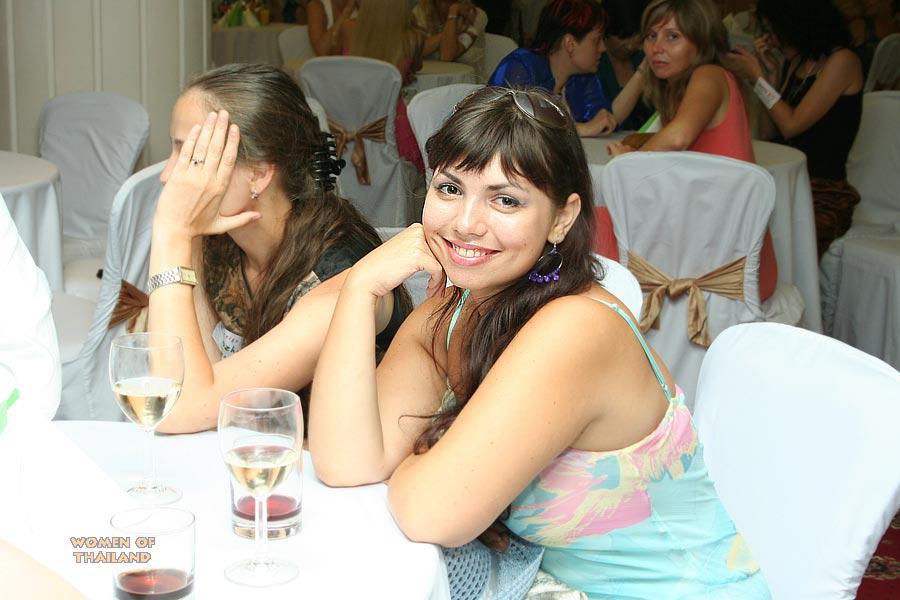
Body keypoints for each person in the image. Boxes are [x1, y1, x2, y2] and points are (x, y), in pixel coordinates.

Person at [308, 87, 772, 599]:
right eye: (450, 188)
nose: (466, 222)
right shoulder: (455, 309)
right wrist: (360, 289)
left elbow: (429, 512)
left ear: (562, 218)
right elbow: (347, 462)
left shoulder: (576, 329)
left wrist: (426, 452)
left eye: (505, 199)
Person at [147, 64, 411, 434]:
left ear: (258, 174)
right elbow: (198, 383)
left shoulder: (338, 281)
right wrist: (188, 242)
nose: (167, 176)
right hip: (250, 447)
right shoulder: (223, 239)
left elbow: (175, 406)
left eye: (192, 155)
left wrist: (170, 235)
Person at [607, 0, 778, 301]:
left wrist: (628, 163)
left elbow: (678, 137)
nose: (656, 48)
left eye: (672, 37)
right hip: (713, 247)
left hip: (726, 266)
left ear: (701, 42)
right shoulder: (682, 87)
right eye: (651, 36)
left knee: (596, 224)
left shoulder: (709, 74)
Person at [731, 0, 864, 257]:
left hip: (824, 193)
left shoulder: (843, 62)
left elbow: (792, 125)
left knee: (770, 247)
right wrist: (769, 78)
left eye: (774, 30)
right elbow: (770, 133)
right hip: (787, 186)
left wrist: (758, 79)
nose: (770, 38)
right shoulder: (797, 63)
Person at [488, 0, 623, 137]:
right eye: (597, 40)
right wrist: (578, 129)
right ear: (570, 44)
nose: (603, 48)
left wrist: (602, 121)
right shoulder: (521, 66)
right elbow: (504, 129)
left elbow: (604, 123)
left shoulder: (583, 79)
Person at [341, 0, 426, 172]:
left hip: (351, 122)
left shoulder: (349, 28)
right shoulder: (412, 38)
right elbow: (415, 68)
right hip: (392, 126)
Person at [597, 0, 654, 131]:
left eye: (637, 35)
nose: (630, 45)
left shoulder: (644, 56)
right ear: (604, 32)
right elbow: (606, 122)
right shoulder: (593, 65)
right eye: (623, 37)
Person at [411, 0, 488, 81]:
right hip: (429, 81)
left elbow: (447, 55)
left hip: (468, 83)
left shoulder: (475, 14)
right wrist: (455, 30)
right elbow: (416, 51)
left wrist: (453, 11)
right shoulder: (421, 12)